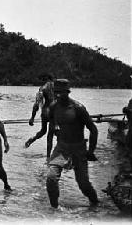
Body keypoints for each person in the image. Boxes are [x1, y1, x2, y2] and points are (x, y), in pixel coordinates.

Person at [46, 79, 99, 208]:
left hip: (78, 148)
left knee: (83, 184)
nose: (58, 95)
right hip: (61, 147)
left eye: (61, 92)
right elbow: (51, 125)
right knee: (51, 178)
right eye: (55, 92)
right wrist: (49, 153)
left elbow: (93, 130)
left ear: (67, 92)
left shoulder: (78, 108)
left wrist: (90, 152)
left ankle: (96, 205)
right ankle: (54, 210)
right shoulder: (53, 106)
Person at [25, 73, 55, 160]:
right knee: (51, 134)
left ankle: (32, 139)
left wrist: (32, 118)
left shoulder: (42, 88)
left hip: (45, 111)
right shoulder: (57, 87)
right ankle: (49, 157)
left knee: (43, 131)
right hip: (53, 112)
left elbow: (36, 104)